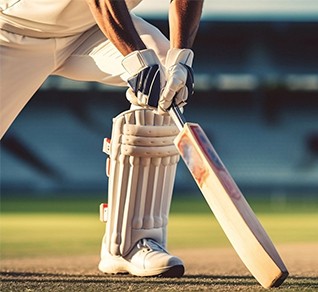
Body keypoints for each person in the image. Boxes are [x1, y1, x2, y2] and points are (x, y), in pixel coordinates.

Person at [0, 0, 204, 277]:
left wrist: (181, 57)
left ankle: (130, 244)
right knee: (147, 68)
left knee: (164, 72)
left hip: (89, 29)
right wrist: (135, 58)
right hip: (12, 30)